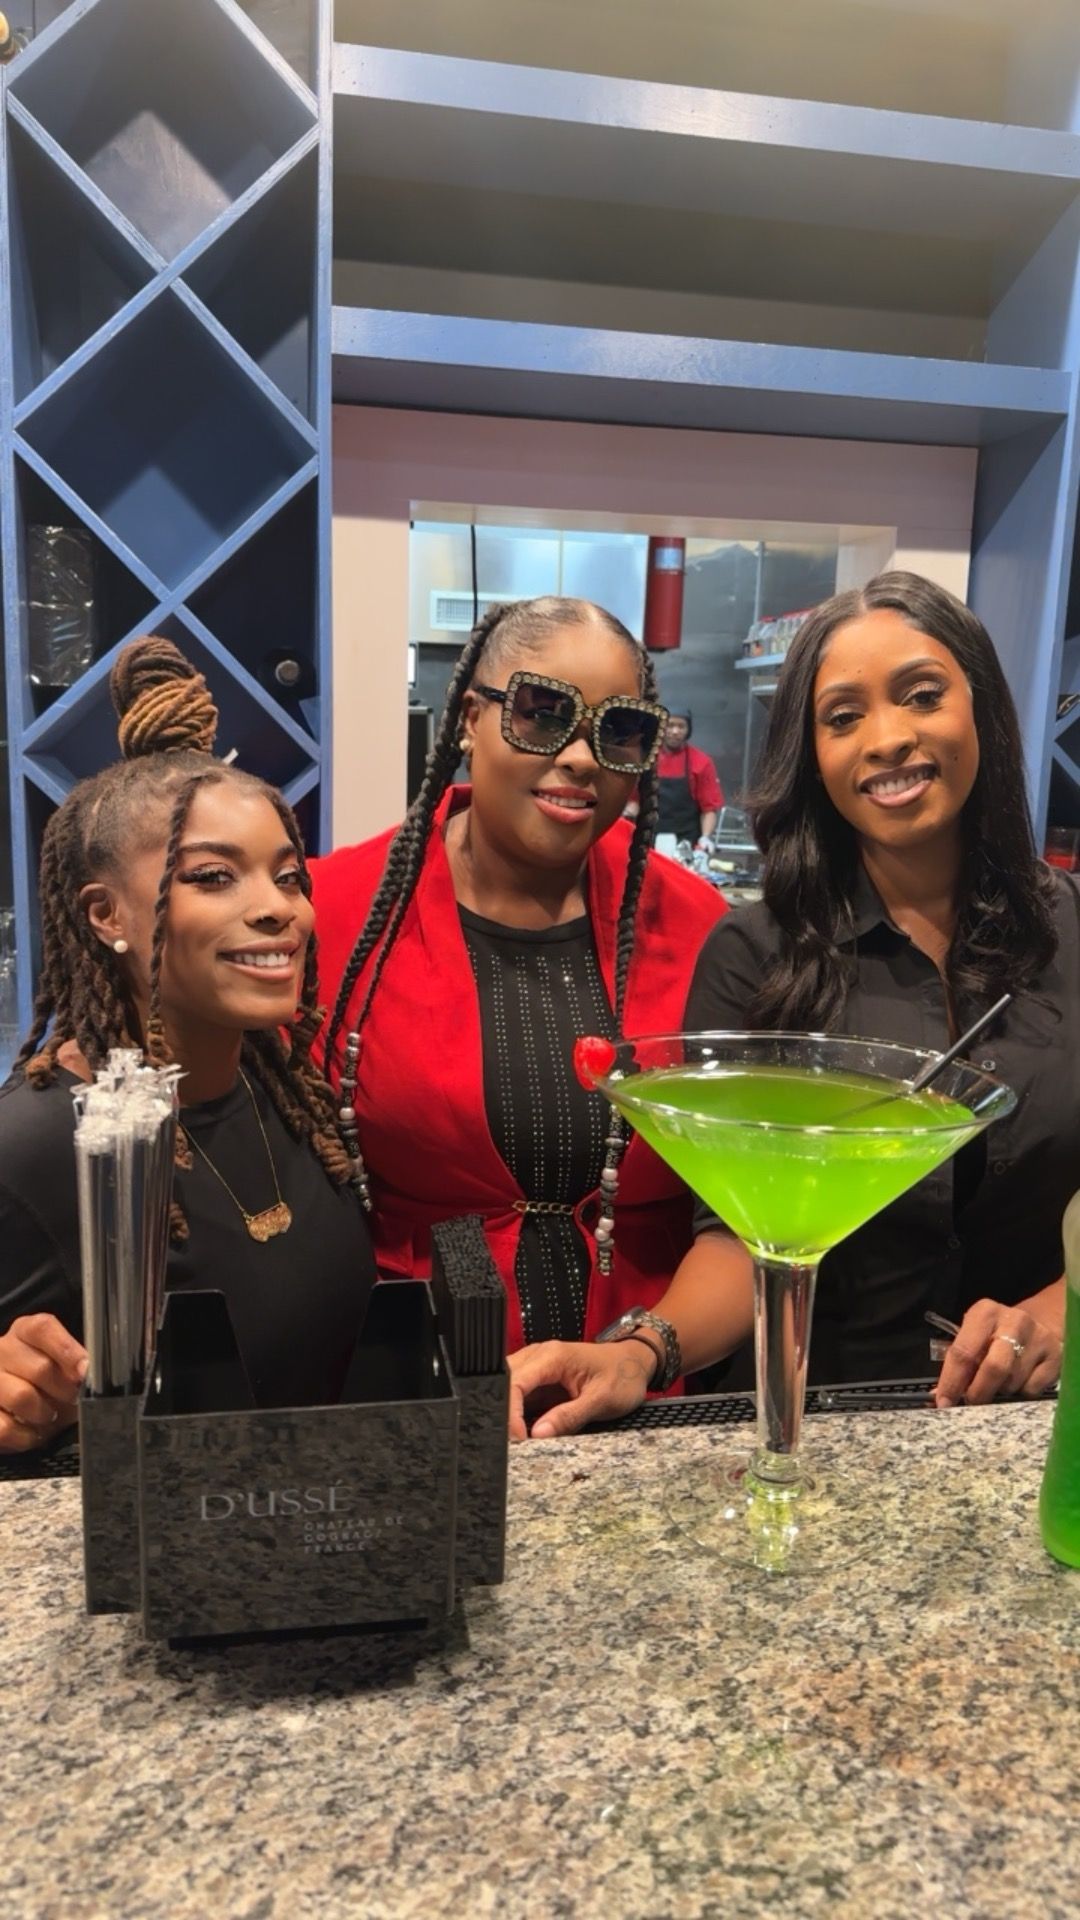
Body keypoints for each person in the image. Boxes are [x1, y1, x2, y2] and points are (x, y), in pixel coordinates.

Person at [310, 597, 728, 1437]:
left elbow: (744, 1217)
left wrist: (642, 1352)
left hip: (645, 1413)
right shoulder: (337, 914)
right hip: (411, 1404)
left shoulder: (697, 930)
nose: (579, 757)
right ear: (472, 718)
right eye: (542, 713)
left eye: (619, 731)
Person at [682, 570, 1078, 1404]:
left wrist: (1057, 1315)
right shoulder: (754, 955)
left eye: (922, 696)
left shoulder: (1073, 929)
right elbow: (733, 1237)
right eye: (843, 717)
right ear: (813, 756)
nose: (888, 738)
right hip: (822, 1415)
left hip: (1031, 1418)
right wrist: (641, 1348)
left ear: (981, 708)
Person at [0, 638, 376, 1452]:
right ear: (105, 915)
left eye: (288, 876)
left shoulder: (288, 1096)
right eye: (213, 876)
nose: (277, 908)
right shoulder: (32, 1147)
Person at [654, 709, 723, 847]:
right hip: (649, 841)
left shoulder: (701, 762)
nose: (675, 731)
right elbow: (634, 802)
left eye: (681, 726)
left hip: (687, 842)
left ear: (688, 730)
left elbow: (708, 809)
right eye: (670, 725)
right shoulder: (647, 760)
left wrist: (705, 838)